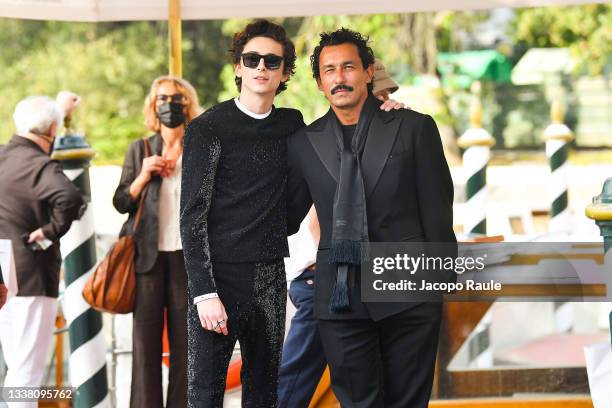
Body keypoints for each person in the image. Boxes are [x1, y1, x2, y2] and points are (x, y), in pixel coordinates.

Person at [180, 20, 403, 407]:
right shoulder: (207, 128)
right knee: (204, 392)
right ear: (238, 67)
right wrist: (204, 293)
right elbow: (192, 217)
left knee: (265, 389)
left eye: (272, 61)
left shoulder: (291, 125)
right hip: (219, 276)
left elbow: (336, 141)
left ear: (284, 72)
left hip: (269, 272)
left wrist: (383, 110)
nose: (261, 68)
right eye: (252, 60)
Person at [287, 28, 456, 407]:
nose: (339, 77)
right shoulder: (302, 143)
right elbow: (285, 216)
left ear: (368, 72)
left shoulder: (414, 128)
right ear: (319, 82)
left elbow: (437, 210)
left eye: (348, 67)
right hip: (339, 295)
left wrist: (437, 286)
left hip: (409, 290)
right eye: (329, 70)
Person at [278, 61, 400, 408]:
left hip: (354, 281)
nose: (385, 101)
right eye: (381, 95)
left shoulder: (380, 140)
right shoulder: (332, 144)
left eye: (389, 95)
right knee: (297, 378)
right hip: (324, 279)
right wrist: (334, 272)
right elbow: (320, 222)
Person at [112, 75, 201, 408]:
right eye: (162, 99)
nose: (169, 105)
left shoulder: (200, 147)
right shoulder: (141, 149)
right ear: (153, 105)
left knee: (187, 345)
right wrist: (143, 175)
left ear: (187, 104)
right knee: (145, 345)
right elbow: (121, 202)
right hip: (147, 259)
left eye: (176, 99)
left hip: (186, 259)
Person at [0, 96, 84, 403]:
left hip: (4, 275)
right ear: (51, 129)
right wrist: (47, 233)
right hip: (31, 273)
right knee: (27, 372)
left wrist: (59, 113)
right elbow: (70, 198)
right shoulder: (38, 165)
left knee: (15, 364)